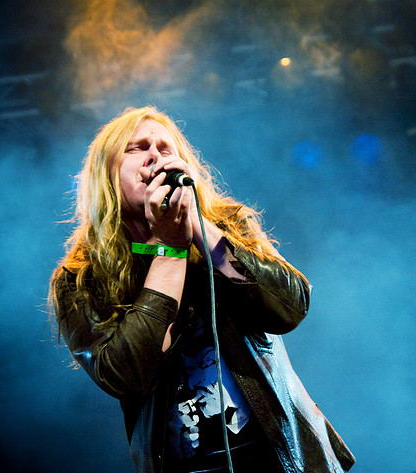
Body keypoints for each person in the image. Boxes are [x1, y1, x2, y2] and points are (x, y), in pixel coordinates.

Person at [49, 106, 355, 473]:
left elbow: (291, 306)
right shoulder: (82, 275)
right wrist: (169, 249)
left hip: (282, 455)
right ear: (107, 174)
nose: (155, 157)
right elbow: (125, 375)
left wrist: (197, 225)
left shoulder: (227, 226)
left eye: (166, 148)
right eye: (137, 148)